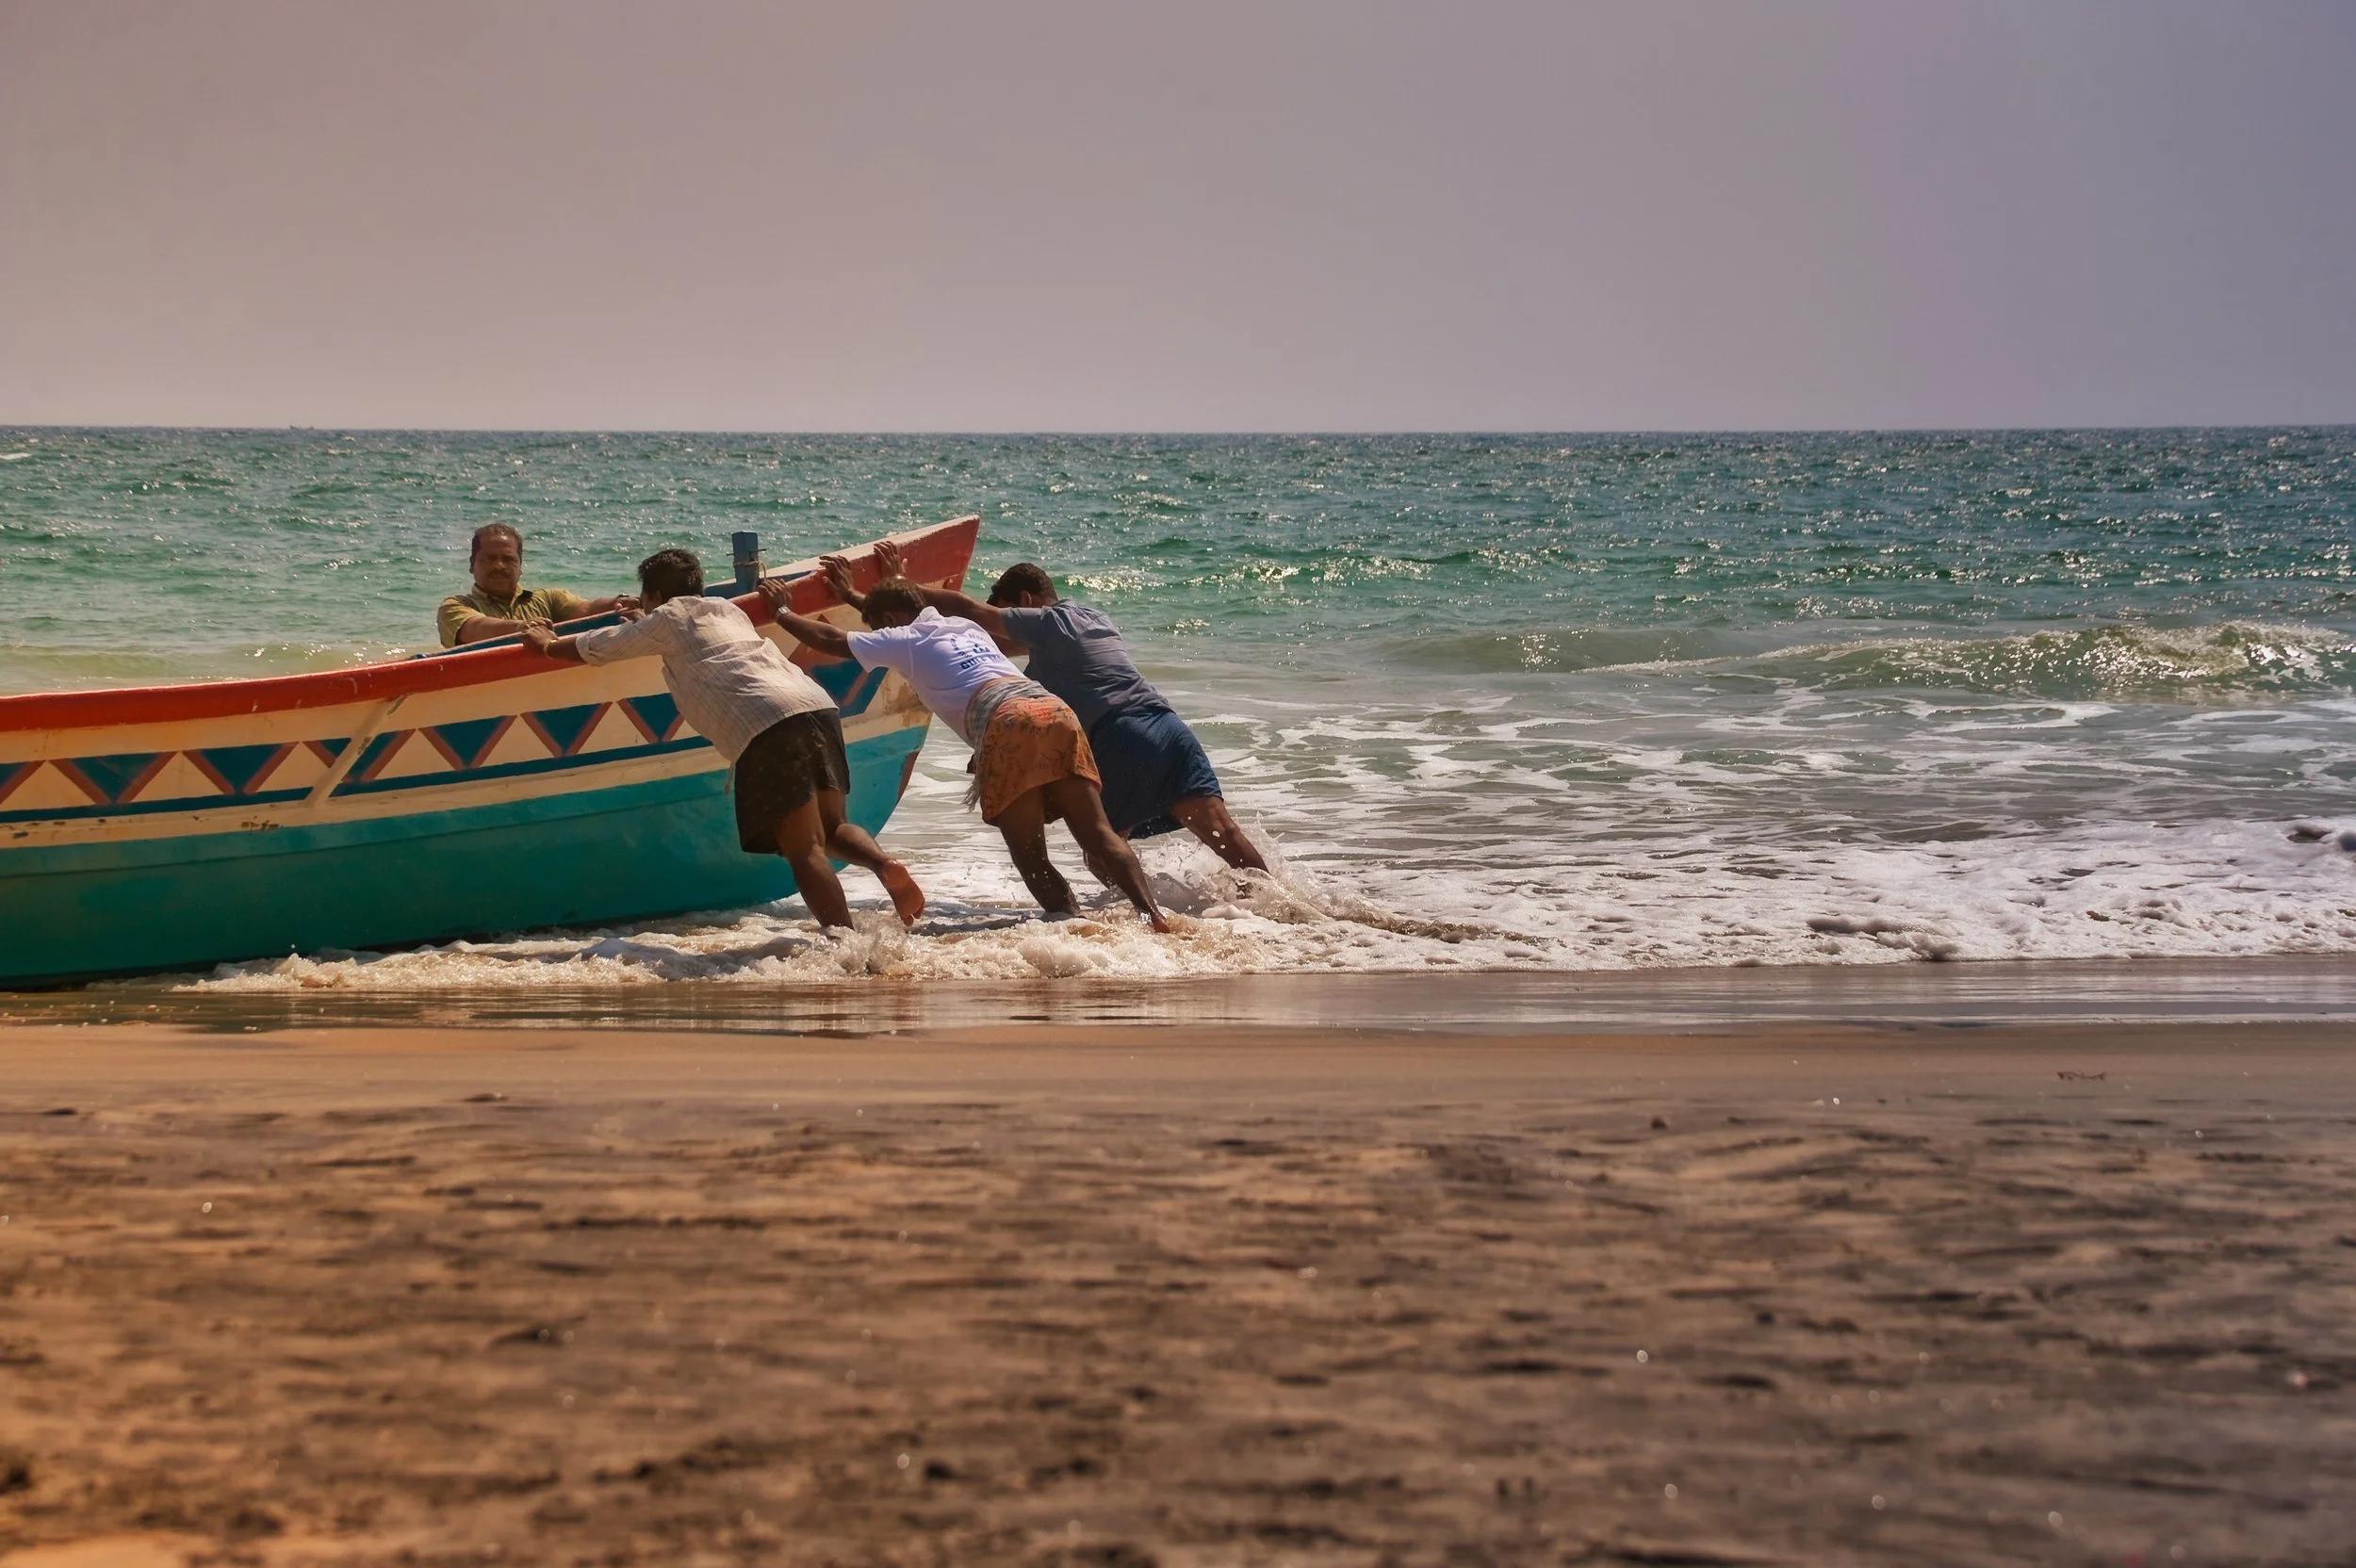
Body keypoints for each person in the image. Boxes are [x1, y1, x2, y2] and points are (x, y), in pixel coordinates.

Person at [522, 548, 925, 931]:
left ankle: (846, 943)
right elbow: (684, 638)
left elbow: (598, 648)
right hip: (815, 707)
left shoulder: (666, 616)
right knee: (833, 825)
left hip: (766, 722)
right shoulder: (726, 609)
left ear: (656, 596)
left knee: (803, 848)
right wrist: (642, 622)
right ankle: (884, 864)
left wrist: (545, 644)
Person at [760, 562, 1172, 933]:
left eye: (878, 627)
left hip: (1007, 722)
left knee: (1031, 855)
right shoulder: (966, 627)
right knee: (1098, 834)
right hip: (1053, 709)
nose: (878, 637)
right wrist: (852, 595)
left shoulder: (901, 638)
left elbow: (831, 639)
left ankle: (1075, 927)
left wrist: (780, 611)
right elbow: (903, 607)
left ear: (888, 620)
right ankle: (1153, 917)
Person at [866, 539, 1267, 873]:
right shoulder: (1091, 618)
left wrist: (900, 584)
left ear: (1025, 600)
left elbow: (971, 611)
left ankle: (1146, 924)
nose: (999, 627)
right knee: (1224, 834)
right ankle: (1281, 912)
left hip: (1121, 736)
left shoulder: (1049, 620)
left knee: (1101, 851)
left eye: (1008, 612)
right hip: (1168, 728)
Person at [439, 524, 637, 647]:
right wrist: (524, 628)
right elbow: (476, 629)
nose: (499, 565)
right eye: (488, 559)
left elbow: (586, 609)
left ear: (520, 566)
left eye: (508, 559)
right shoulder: (455, 606)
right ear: (472, 564)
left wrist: (619, 603)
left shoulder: (549, 599)